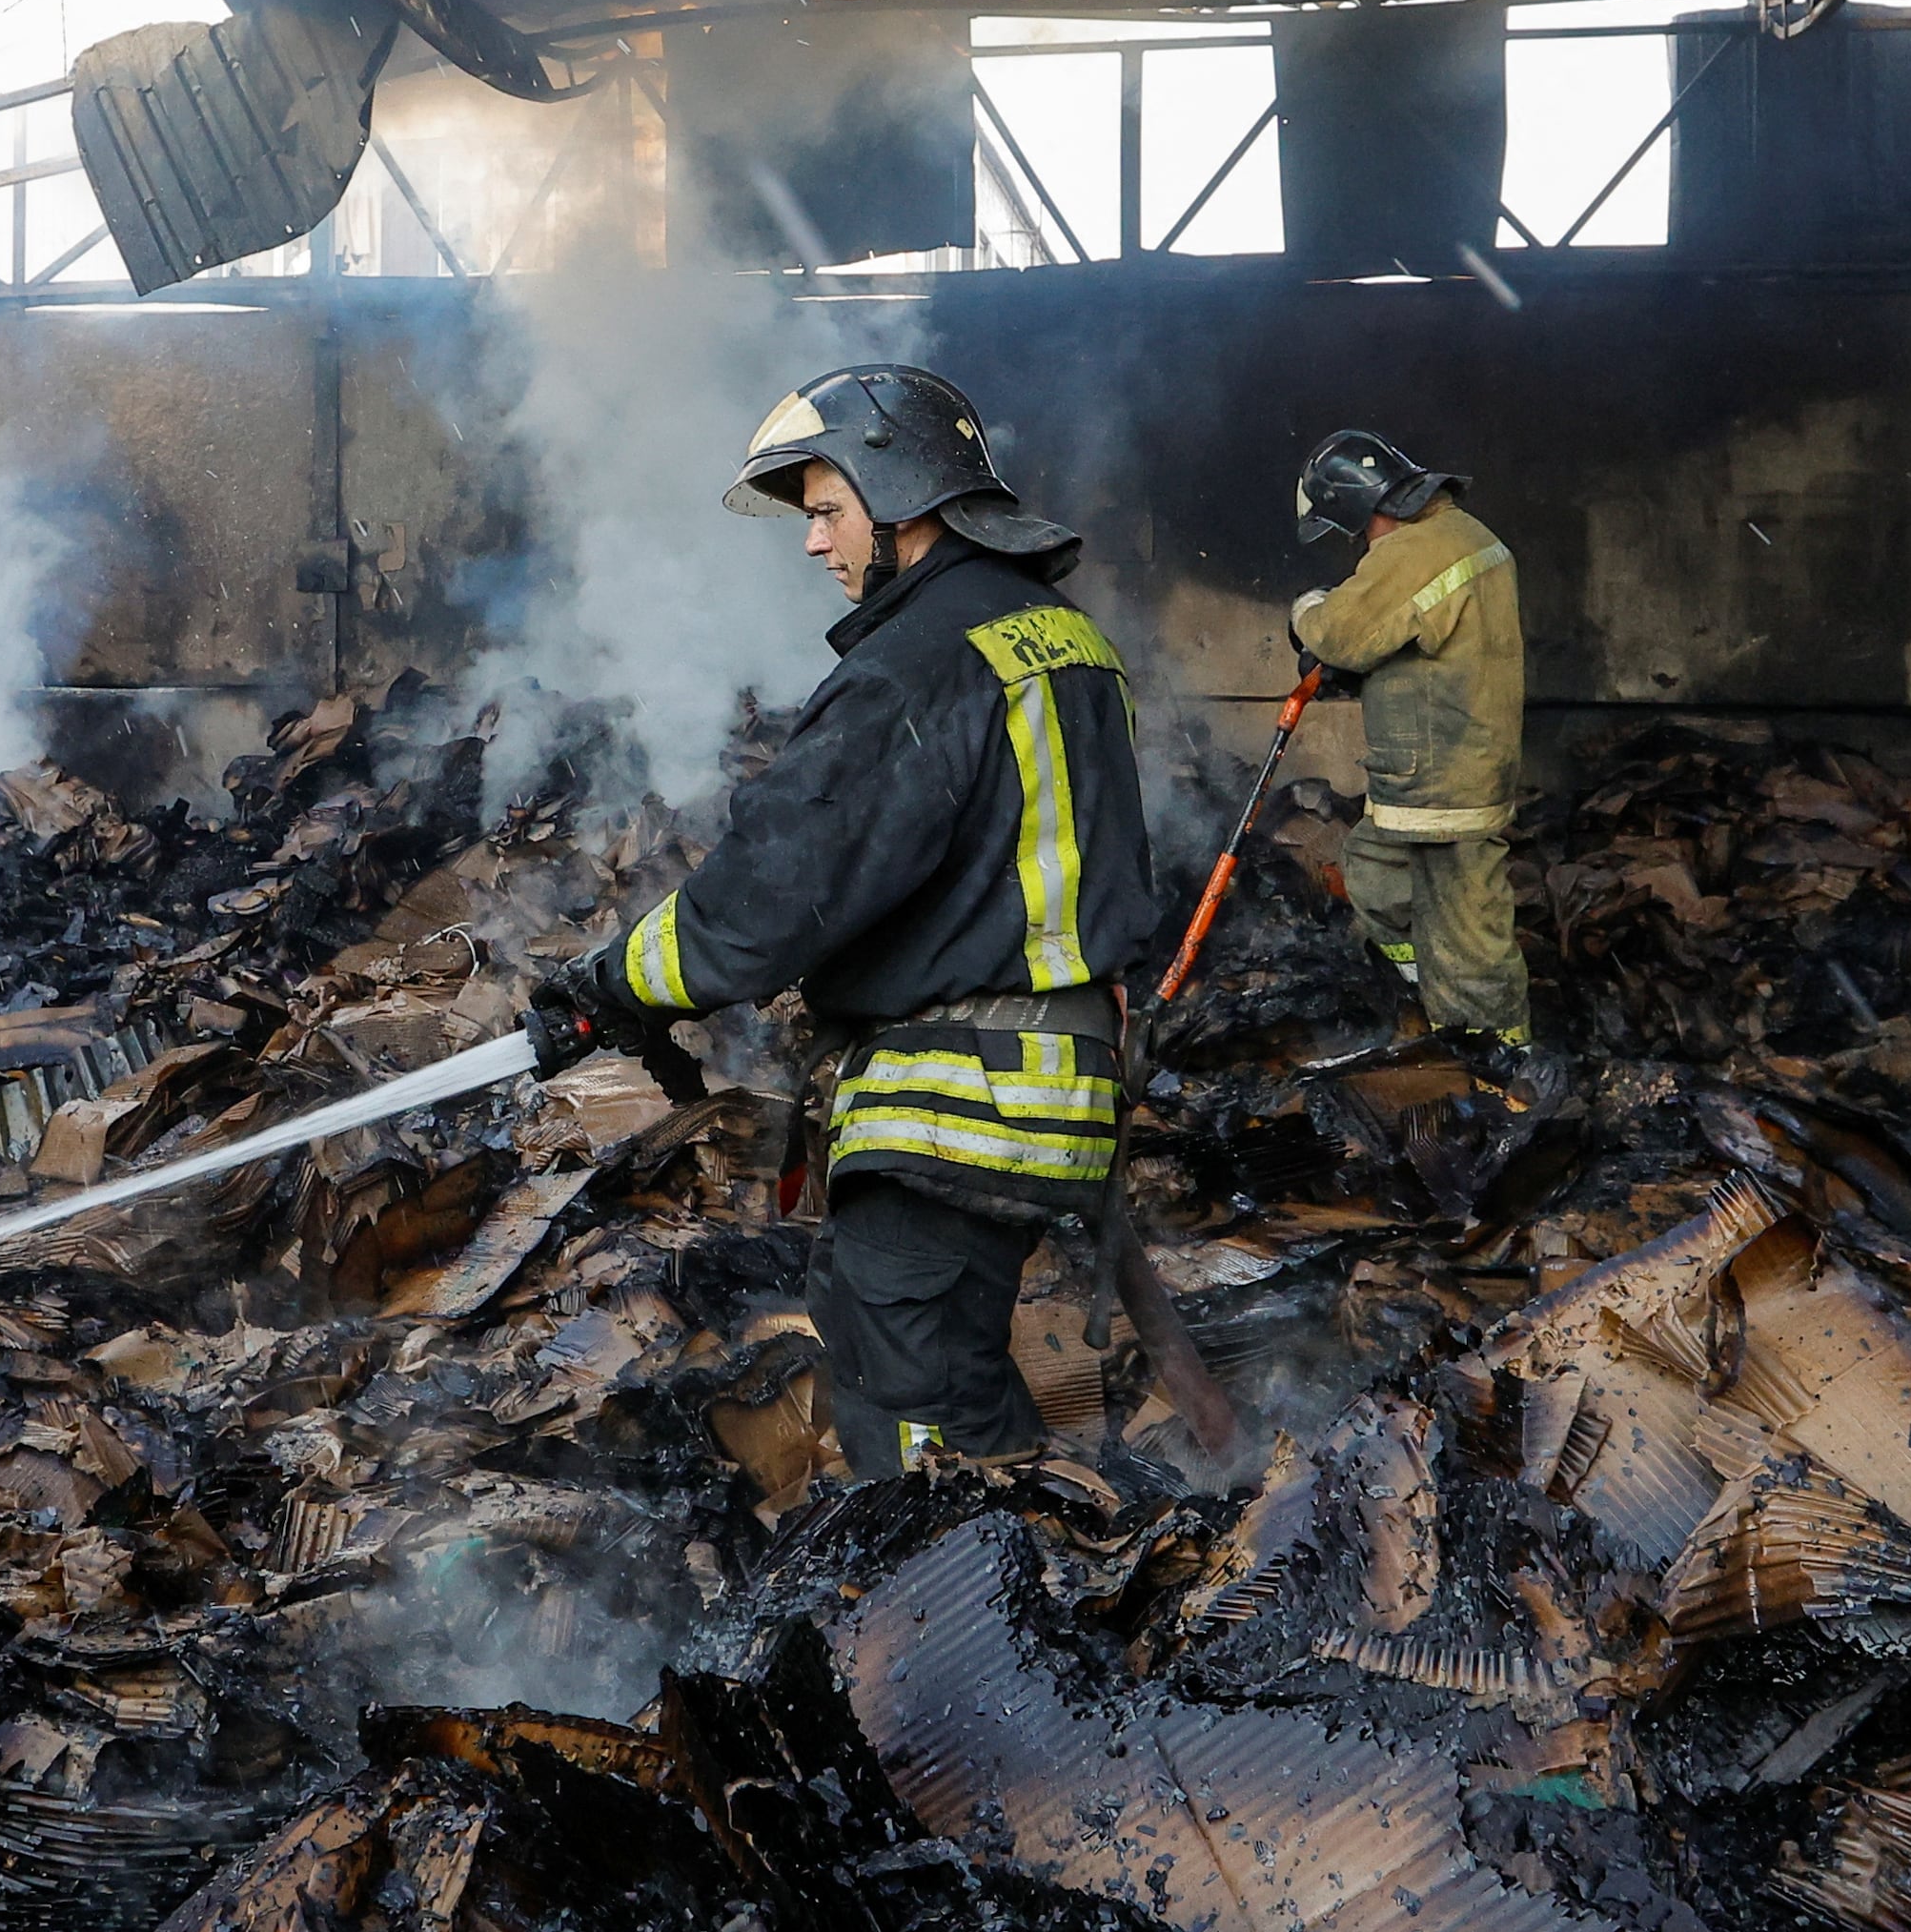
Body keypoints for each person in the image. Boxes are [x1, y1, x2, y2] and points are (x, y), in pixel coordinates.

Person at [528, 367, 1170, 1481]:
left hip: (958, 1093)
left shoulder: (915, 666)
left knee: (913, 1398)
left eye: (826, 509)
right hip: (1056, 1074)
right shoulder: (1057, 636)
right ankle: (1026, 1572)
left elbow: (764, 899)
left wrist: (606, 985)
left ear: (903, 497)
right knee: (937, 1354)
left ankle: (977, 1613)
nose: (814, 543)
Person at [1291, 428, 1531, 1053]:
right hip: (1433, 776)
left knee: (1469, 937)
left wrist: (1305, 613)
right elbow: (1422, 637)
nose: (1359, 545)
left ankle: (1502, 1066)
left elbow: (1340, 631)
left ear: (1362, 506)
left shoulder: (1420, 547)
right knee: (1373, 874)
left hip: (1447, 783)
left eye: (1351, 529)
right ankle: (1428, 991)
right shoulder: (1462, 538)